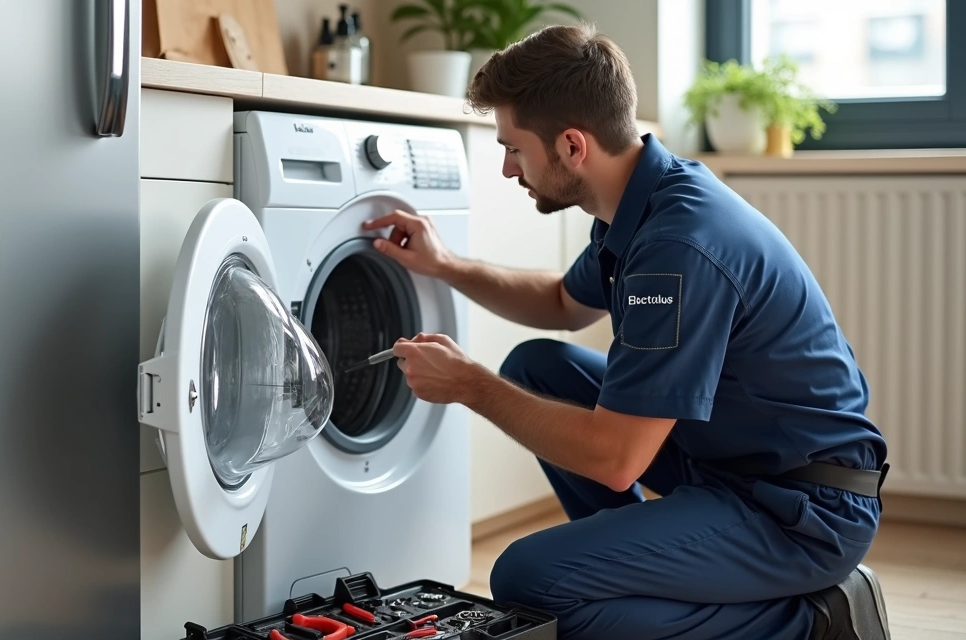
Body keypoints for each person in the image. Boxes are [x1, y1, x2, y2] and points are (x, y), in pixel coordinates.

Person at [362, 23, 892, 640]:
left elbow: (617, 460)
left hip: (800, 509)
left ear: (571, 146)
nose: (508, 168)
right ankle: (634, 564)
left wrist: (470, 386)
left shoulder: (678, 244)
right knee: (539, 367)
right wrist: (444, 264)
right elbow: (562, 301)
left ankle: (810, 620)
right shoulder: (639, 198)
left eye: (513, 147)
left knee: (528, 581)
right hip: (726, 459)